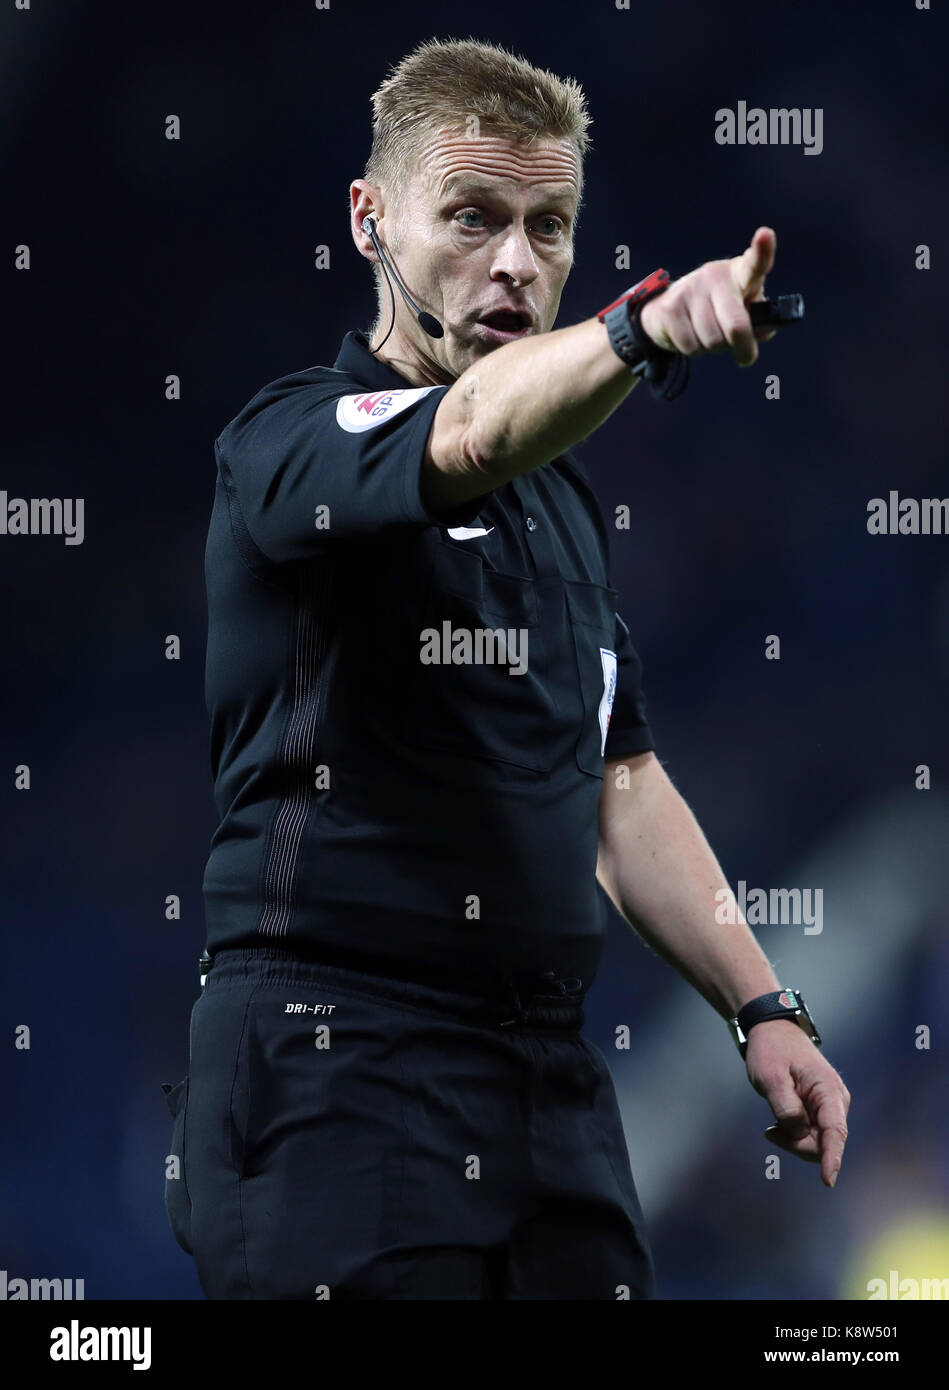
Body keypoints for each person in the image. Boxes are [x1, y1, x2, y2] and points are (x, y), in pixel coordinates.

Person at [161, 36, 850, 1300]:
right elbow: (467, 428)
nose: (516, 264)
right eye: (472, 217)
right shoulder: (290, 444)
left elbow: (619, 778)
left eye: (549, 225)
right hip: (334, 1064)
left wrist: (764, 1007)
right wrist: (638, 329)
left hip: (545, 1082)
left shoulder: (561, 506)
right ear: (371, 221)